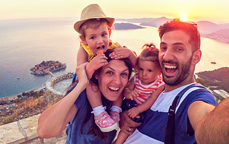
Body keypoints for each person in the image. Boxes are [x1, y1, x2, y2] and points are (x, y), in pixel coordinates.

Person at [119, 19, 217, 143]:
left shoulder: (193, 97)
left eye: (178, 49)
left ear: (196, 57)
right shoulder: (154, 88)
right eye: (164, 48)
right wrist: (123, 116)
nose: (166, 56)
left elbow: (209, 121)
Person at [37, 50, 134, 143]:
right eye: (110, 72)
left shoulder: (120, 99)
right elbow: (44, 131)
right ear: (97, 74)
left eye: (123, 74)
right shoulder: (83, 96)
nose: (117, 81)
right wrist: (82, 83)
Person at [74, 4, 137, 132]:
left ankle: (115, 111)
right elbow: (80, 73)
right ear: (83, 39)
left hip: (108, 82)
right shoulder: (83, 51)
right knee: (92, 85)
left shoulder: (115, 45)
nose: (100, 41)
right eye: (93, 37)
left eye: (103, 34)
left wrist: (129, 54)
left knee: (118, 83)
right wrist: (91, 66)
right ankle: (99, 113)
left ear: (109, 32)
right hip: (93, 81)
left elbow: (136, 65)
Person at [114, 43, 165, 144]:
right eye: (141, 69)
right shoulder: (136, 78)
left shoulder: (159, 84)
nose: (144, 74)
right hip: (129, 104)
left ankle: (118, 142)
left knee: (131, 124)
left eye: (149, 70)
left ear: (159, 71)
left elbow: (151, 100)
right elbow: (126, 89)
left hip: (141, 109)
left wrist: (138, 109)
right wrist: (129, 93)